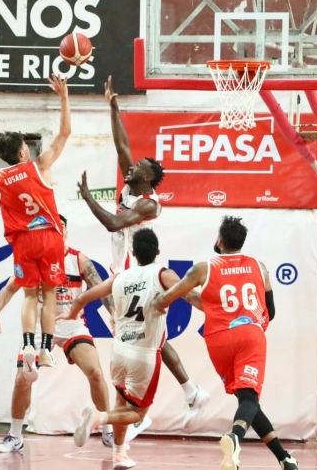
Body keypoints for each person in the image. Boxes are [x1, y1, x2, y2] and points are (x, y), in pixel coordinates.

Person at [76, 76, 210, 423]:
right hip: (123, 270)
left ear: (147, 180)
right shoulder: (131, 184)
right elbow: (122, 146)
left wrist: (88, 196)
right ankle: (189, 391)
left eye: (139, 169)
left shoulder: (149, 204)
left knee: (138, 338)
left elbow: (114, 224)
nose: (131, 167)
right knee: (149, 338)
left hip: (138, 272)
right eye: (133, 167)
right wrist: (114, 106)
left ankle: (140, 408)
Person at [149, 216, 299, 470]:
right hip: (250, 336)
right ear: (242, 241)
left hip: (217, 341)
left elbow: (167, 298)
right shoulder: (259, 266)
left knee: (247, 400)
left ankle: (284, 458)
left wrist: (157, 304)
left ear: (220, 241)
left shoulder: (202, 269)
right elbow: (270, 311)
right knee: (249, 399)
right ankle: (234, 438)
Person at [65, 229, 199, 469]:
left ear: (133, 253)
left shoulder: (120, 277)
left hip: (119, 351)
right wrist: (219, 308)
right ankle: (98, 418)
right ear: (158, 252)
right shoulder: (162, 274)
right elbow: (192, 297)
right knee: (137, 413)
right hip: (144, 355)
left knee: (120, 401)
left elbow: (80, 300)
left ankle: (119, 453)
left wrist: (71, 317)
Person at [0, 214, 118, 451]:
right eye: (52, 228)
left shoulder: (78, 259)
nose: (57, 231)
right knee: (22, 380)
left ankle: (108, 431)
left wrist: (113, 313)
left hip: (71, 324)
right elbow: (7, 290)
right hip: (38, 327)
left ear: (65, 231)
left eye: (61, 227)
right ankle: (15, 436)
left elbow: (100, 288)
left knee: (96, 373)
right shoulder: (33, 258)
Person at [0, 75, 72, 379]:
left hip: (22, 242)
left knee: (29, 296)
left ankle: (28, 345)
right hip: (49, 237)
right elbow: (65, 132)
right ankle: (46, 349)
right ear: (22, 153)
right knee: (49, 293)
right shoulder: (39, 165)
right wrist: (63, 96)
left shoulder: (0, 179)